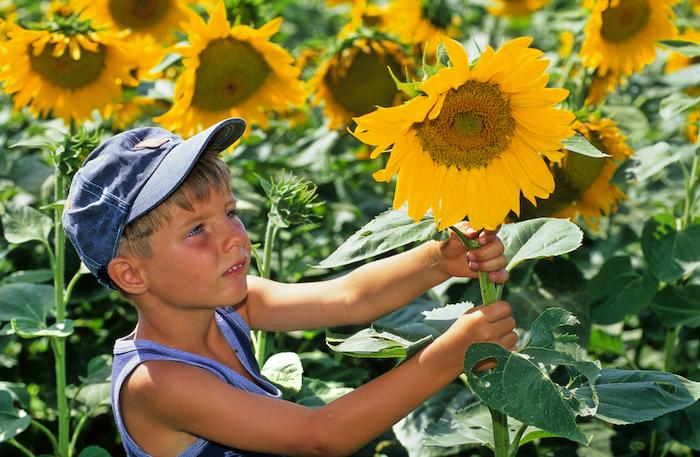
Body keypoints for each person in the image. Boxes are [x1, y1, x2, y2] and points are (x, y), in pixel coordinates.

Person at [63, 117, 517, 457]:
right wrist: (450, 355)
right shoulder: (156, 383)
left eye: (231, 212)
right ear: (132, 275)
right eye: (196, 230)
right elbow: (321, 436)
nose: (235, 237)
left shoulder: (233, 308)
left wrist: (438, 259)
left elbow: (348, 298)